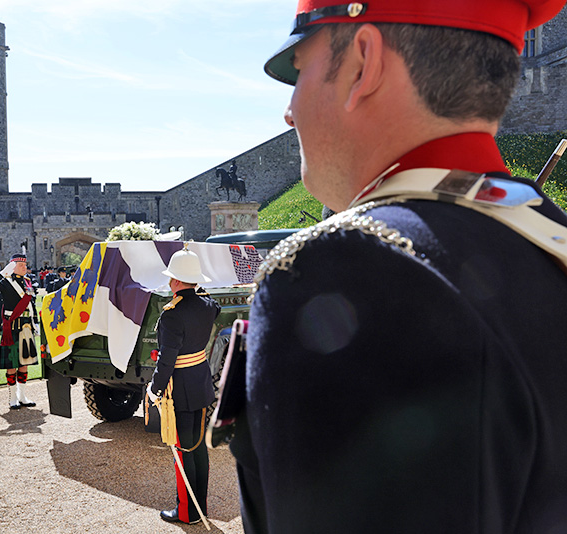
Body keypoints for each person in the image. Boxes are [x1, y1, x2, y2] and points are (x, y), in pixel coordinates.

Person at [224, 1, 567, 532]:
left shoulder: (340, 271)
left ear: (363, 63)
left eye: (299, 69)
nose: (289, 111)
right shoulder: (548, 245)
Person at [147, 247, 220, 525]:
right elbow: (215, 306)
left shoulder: (172, 314)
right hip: (200, 380)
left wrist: (154, 388)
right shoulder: (207, 305)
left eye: (172, 278)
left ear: (177, 281)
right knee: (198, 447)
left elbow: (166, 361)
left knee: (183, 449)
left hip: (178, 388)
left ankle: (188, 513)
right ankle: (200, 507)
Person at [0, 253, 38, 409]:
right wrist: (2, 272)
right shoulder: (5, 282)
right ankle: (12, 398)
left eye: (25, 265)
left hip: (26, 326)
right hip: (13, 325)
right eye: (21, 265)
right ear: (13, 266)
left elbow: (31, 304)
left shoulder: (28, 281)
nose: (25, 267)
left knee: (25, 363)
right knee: (12, 364)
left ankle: (22, 396)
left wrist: (35, 322)